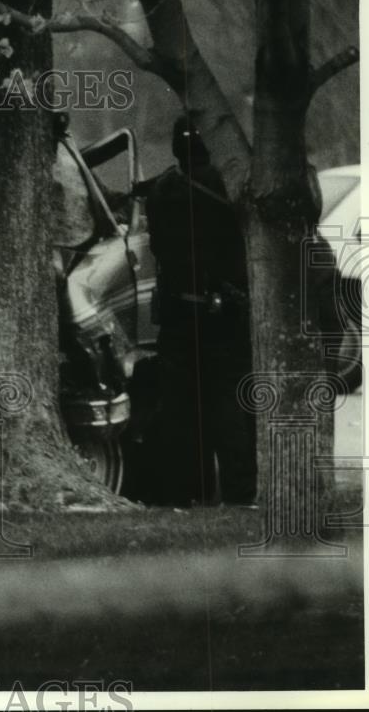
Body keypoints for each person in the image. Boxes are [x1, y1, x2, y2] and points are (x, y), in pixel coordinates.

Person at [143, 115, 256, 506]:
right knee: (229, 405)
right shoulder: (230, 188)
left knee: (181, 409)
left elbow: (157, 246)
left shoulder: (160, 191)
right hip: (224, 312)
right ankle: (240, 493)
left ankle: (188, 492)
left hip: (178, 313)